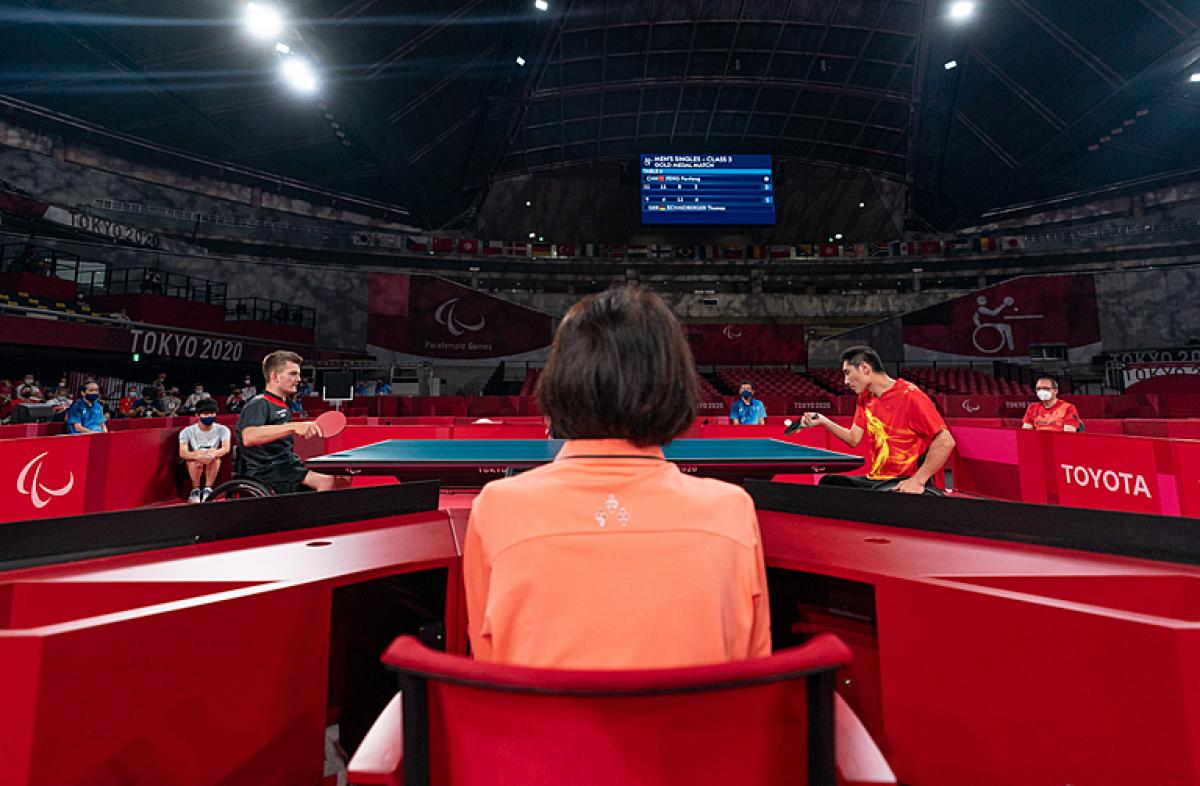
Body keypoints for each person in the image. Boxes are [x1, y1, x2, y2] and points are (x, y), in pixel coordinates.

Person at [464, 285, 770, 670]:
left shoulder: (495, 509)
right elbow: (751, 677)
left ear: (561, 381)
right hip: (692, 730)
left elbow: (491, 667)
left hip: (543, 730)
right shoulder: (733, 511)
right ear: (674, 385)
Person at [800, 346, 955, 494]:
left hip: (903, 481)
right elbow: (853, 439)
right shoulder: (865, 398)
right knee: (830, 482)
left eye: (847, 373)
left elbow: (946, 441)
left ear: (865, 368)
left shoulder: (910, 395)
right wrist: (823, 421)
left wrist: (918, 481)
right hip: (877, 481)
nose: (846, 381)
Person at [235, 350, 350, 493]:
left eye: (299, 374)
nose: (299, 379)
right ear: (275, 376)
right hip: (266, 470)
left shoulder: (283, 405)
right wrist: (293, 427)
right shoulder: (259, 403)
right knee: (325, 480)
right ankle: (317, 515)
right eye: (293, 374)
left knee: (343, 477)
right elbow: (249, 437)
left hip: (288, 465)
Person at [179, 399, 231, 503]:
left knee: (216, 458)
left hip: (213, 459)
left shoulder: (223, 429)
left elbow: (226, 448)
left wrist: (212, 454)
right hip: (195, 460)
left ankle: (208, 489)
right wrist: (198, 455)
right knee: (194, 459)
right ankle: (195, 490)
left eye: (212, 413)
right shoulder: (187, 431)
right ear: (197, 415)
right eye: (205, 414)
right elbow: (183, 453)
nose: (209, 416)